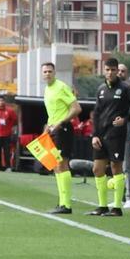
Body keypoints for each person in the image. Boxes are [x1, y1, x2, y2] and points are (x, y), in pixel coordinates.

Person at [87, 57, 130, 217]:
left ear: (117, 71)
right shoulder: (100, 89)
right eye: (108, 69)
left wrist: (126, 120)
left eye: (113, 70)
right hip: (101, 136)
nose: (111, 72)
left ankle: (117, 207)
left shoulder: (126, 89)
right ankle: (102, 206)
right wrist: (95, 135)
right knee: (97, 169)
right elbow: (97, 114)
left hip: (117, 135)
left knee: (116, 168)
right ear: (103, 70)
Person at [41, 62, 81, 214]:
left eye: (50, 71)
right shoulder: (47, 89)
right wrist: (47, 128)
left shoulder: (61, 87)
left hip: (62, 129)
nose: (47, 74)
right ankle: (62, 202)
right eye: (45, 71)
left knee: (61, 164)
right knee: (55, 165)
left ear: (55, 72)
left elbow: (76, 108)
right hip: (53, 129)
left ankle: (66, 204)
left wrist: (61, 122)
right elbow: (52, 113)